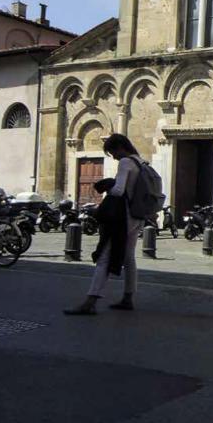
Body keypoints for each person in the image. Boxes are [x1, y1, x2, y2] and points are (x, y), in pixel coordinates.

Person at [64, 134, 146, 315]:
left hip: (121, 218)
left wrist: (108, 184)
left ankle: (90, 301)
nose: (114, 157)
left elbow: (118, 190)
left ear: (120, 147)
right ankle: (128, 298)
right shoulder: (140, 162)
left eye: (113, 152)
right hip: (136, 216)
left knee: (104, 257)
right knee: (128, 257)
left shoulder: (125, 162)